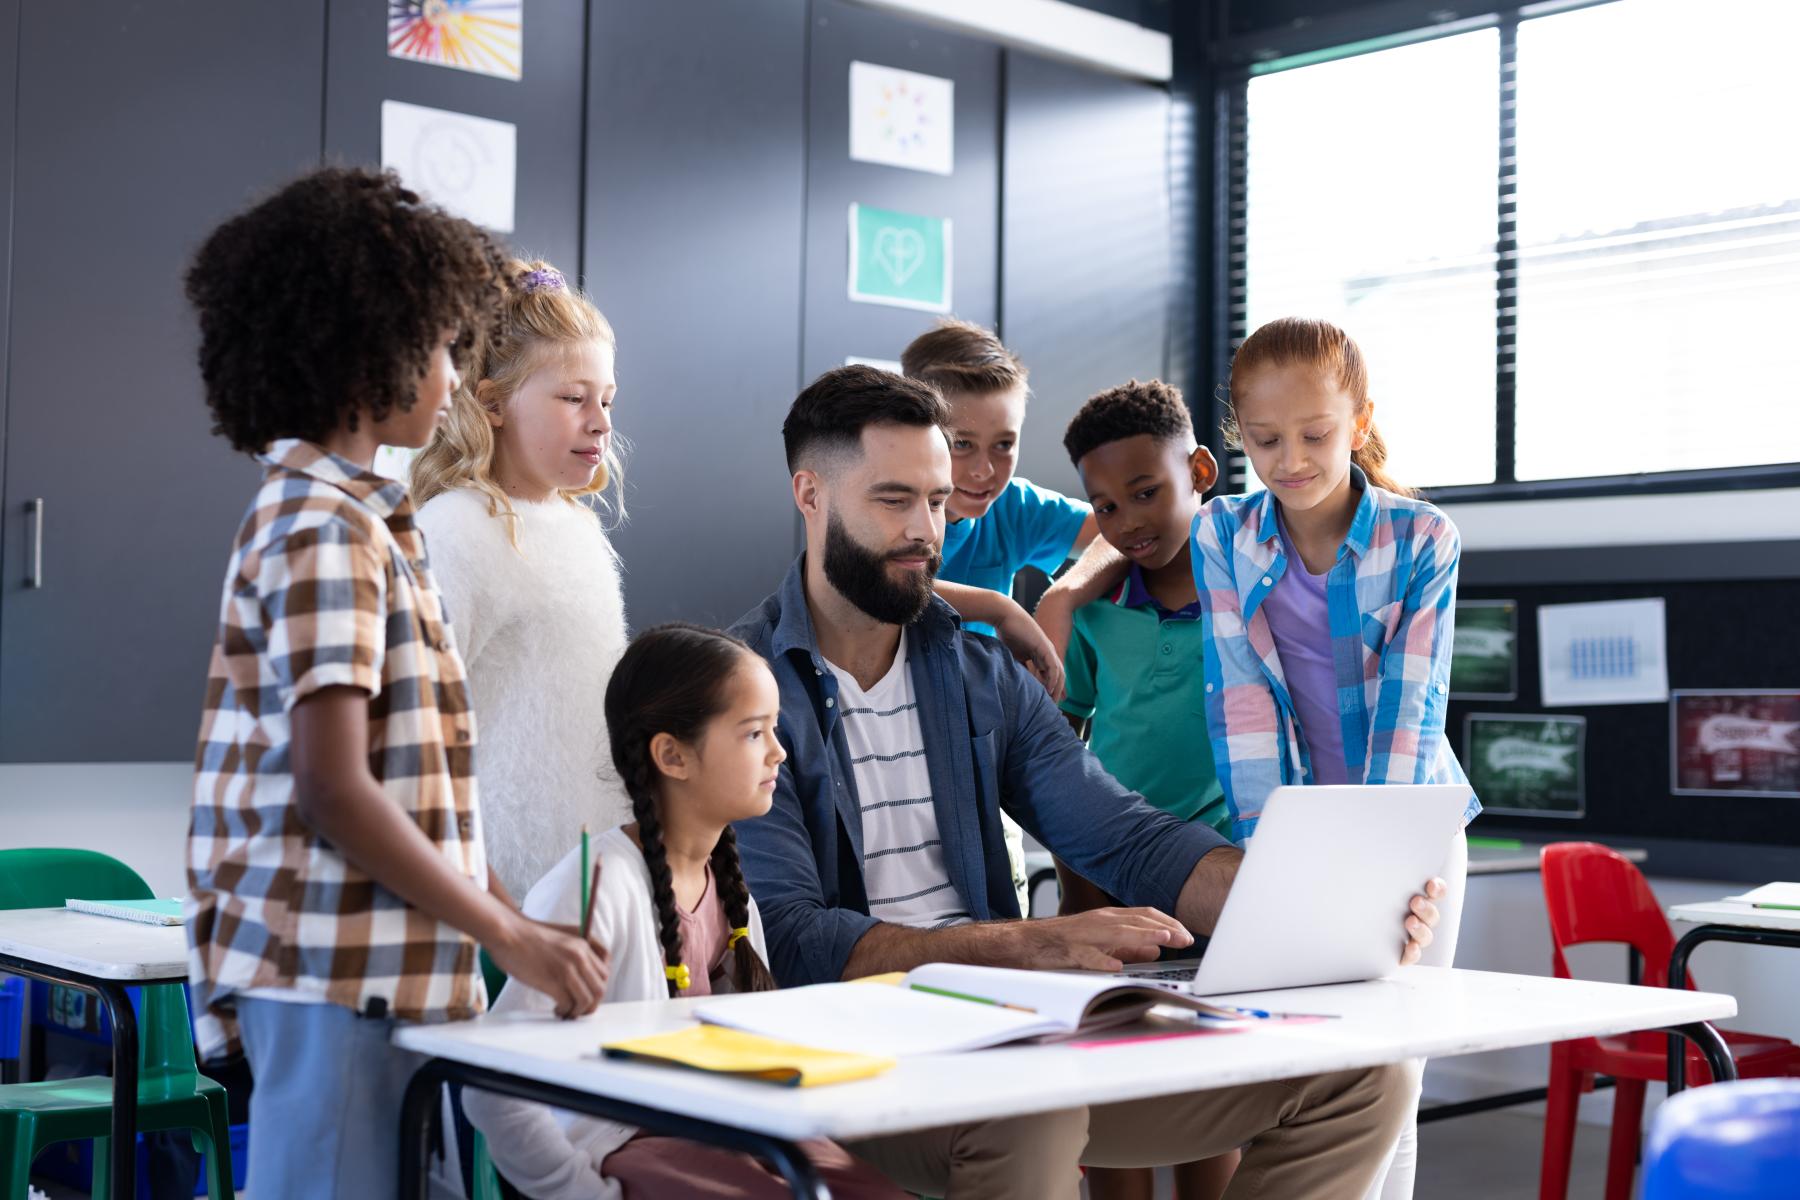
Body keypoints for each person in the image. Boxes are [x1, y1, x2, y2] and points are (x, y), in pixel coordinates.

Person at [725, 364, 1441, 1199]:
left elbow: (1126, 834)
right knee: (1038, 1113)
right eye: (894, 500)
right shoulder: (741, 687)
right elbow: (796, 940)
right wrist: (1022, 945)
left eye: (937, 500)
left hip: (1005, 1038)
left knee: (1361, 1079)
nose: (927, 531)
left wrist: (1321, 912)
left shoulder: (976, 667)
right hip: (859, 1055)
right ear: (810, 495)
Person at [184, 167, 607, 1197]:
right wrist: (505, 929)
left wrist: (514, 915)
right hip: (335, 969)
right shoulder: (321, 529)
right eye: (436, 349)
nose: (454, 379)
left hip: (390, 966)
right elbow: (336, 789)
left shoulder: (370, 521)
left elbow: (420, 792)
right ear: (362, 358)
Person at [464, 623, 904, 1199]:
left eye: (774, 730)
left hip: (726, 1128)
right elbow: (491, 1086)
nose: (779, 752)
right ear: (672, 755)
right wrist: (579, 1192)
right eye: (753, 734)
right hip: (624, 1146)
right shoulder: (595, 887)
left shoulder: (731, 887)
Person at [412, 258, 631, 899]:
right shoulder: (451, 529)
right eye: (573, 398)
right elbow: (418, 743)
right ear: (492, 403)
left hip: (590, 875)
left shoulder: (579, 529)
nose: (600, 421)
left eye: (608, 400)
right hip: (499, 890)